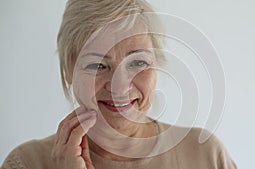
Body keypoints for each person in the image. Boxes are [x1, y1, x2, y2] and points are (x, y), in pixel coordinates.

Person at [1, 0, 237, 168]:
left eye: (137, 63)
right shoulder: (26, 163)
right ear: (69, 71)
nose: (119, 87)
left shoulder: (206, 155)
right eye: (97, 66)